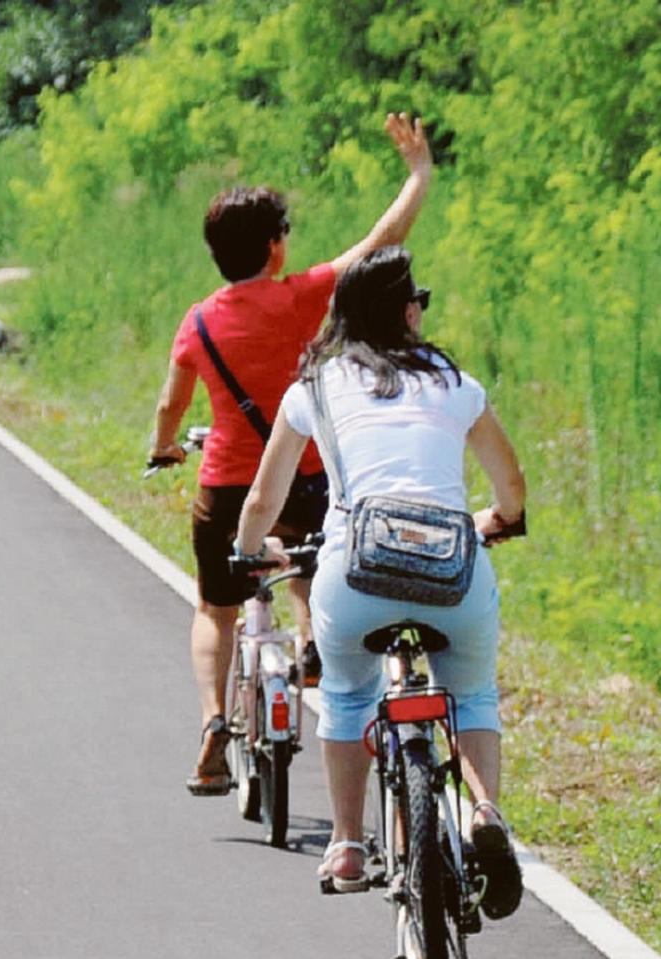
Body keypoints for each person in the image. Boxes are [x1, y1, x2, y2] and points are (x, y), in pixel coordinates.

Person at [232, 245, 527, 917]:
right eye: (417, 299)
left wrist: (249, 551)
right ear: (405, 310)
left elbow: (260, 503)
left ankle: (346, 844)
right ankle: (485, 811)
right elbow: (511, 486)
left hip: (354, 571)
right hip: (453, 571)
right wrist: (501, 519)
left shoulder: (315, 386)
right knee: (473, 690)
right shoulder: (454, 382)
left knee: (345, 694)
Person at [151, 113, 433, 796]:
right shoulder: (302, 296)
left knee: (217, 609)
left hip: (224, 485)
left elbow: (169, 407)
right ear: (276, 249)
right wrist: (419, 173)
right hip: (303, 476)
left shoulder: (197, 322)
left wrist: (164, 449)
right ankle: (309, 643)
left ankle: (216, 721)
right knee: (308, 562)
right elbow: (381, 241)